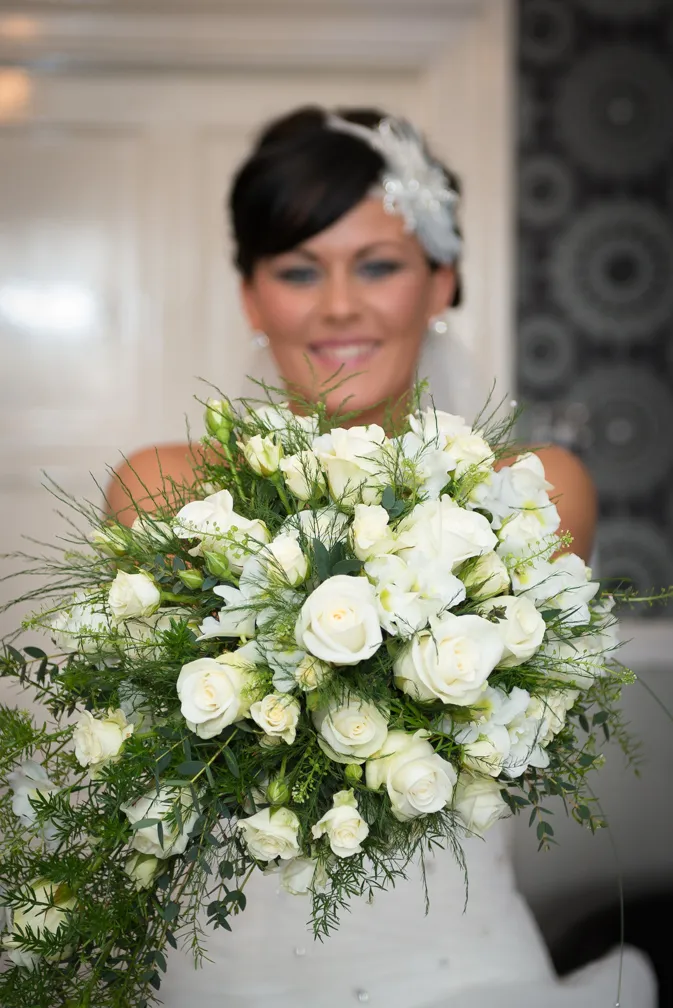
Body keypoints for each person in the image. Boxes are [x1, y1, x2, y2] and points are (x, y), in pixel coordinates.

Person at [106, 107, 655, 1007]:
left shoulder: (535, 492)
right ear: (250, 295)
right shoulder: (163, 489)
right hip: (224, 971)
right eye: (296, 269)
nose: (337, 306)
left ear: (443, 283)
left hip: (460, 971)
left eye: (378, 265)